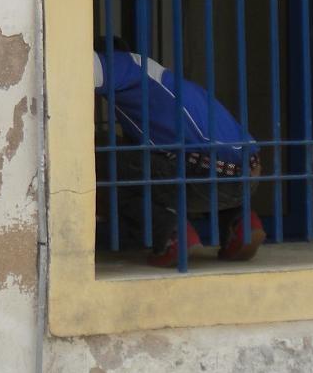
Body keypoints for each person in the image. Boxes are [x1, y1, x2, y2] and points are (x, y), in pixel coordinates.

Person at [94, 37, 264, 267]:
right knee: (203, 163)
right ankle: (242, 224)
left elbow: (81, 71)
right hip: (249, 171)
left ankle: (172, 235)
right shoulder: (166, 85)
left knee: (99, 163)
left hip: (201, 171)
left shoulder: (124, 65)